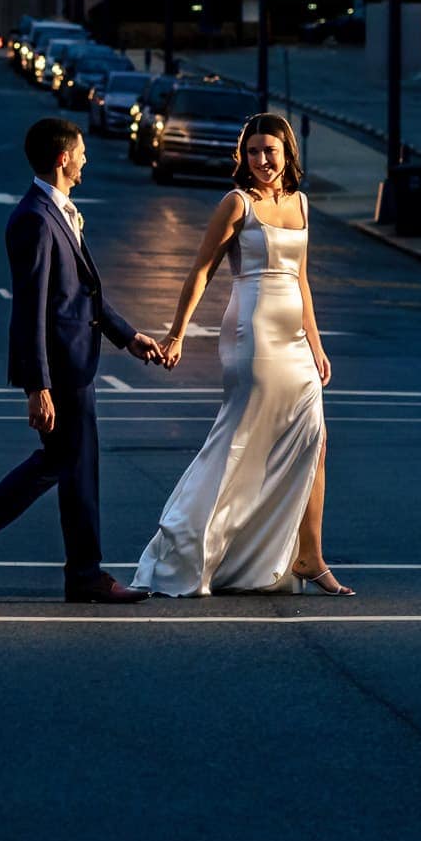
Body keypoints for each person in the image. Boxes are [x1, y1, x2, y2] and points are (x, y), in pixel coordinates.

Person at [0, 117, 165, 604]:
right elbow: (30, 308)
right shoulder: (35, 218)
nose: (86, 160)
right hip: (60, 368)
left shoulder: (57, 211)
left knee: (75, 467)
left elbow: (80, 295)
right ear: (63, 158)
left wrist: (128, 336)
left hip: (76, 363)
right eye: (81, 152)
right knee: (65, 462)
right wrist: (37, 387)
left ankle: (81, 573)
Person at [134, 112, 352, 597]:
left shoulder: (301, 205)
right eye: (252, 152)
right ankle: (194, 545)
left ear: (287, 153)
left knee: (313, 439)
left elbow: (301, 279)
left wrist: (316, 344)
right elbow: (201, 270)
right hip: (250, 332)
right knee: (241, 439)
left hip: (294, 338)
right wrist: (177, 334)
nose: (261, 161)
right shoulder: (237, 203)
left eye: (269, 151)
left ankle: (310, 556)